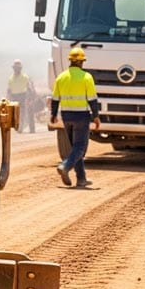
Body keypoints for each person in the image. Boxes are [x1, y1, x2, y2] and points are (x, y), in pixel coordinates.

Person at [49, 46, 100, 188]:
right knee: (80, 147)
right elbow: (92, 99)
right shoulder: (87, 77)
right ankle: (65, 166)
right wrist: (96, 116)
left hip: (66, 116)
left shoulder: (61, 77)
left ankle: (81, 179)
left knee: (75, 148)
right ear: (82, 62)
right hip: (82, 116)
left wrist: (53, 115)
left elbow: (55, 99)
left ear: (70, 61)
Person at [6, 59, 35, 133]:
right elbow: (9, 90)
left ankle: (20, 128)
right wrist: (7, 99)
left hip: (23, 96)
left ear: (20, 68)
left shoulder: (25, 77)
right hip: (14, 97)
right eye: (15, 68)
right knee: (16, 113)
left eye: (18, 68)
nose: (16, 69)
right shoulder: (11, 79)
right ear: (13, 68)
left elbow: (29, 88)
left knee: (22, 113)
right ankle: (19, 126)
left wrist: (31, 98)